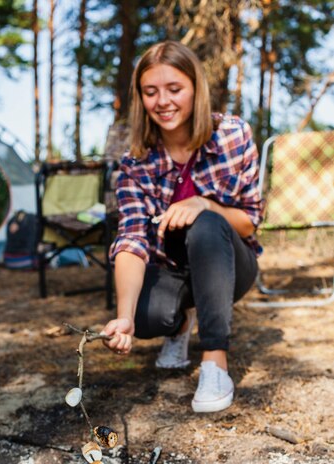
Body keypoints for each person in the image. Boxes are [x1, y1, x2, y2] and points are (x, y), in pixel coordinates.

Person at [102, 40, 264, 413]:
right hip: (174, 267)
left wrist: (205, 204)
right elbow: (131, 240)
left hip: (232, 263)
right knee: (144, 317)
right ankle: (177, 325)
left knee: (205, 223)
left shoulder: (233, 136)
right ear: (140, 97)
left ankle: (214, 359)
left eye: (174, 89)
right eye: (151, 92)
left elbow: (250, 220)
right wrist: (124, 317)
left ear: (195, 89)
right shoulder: (134, 163)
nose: (163, 101)